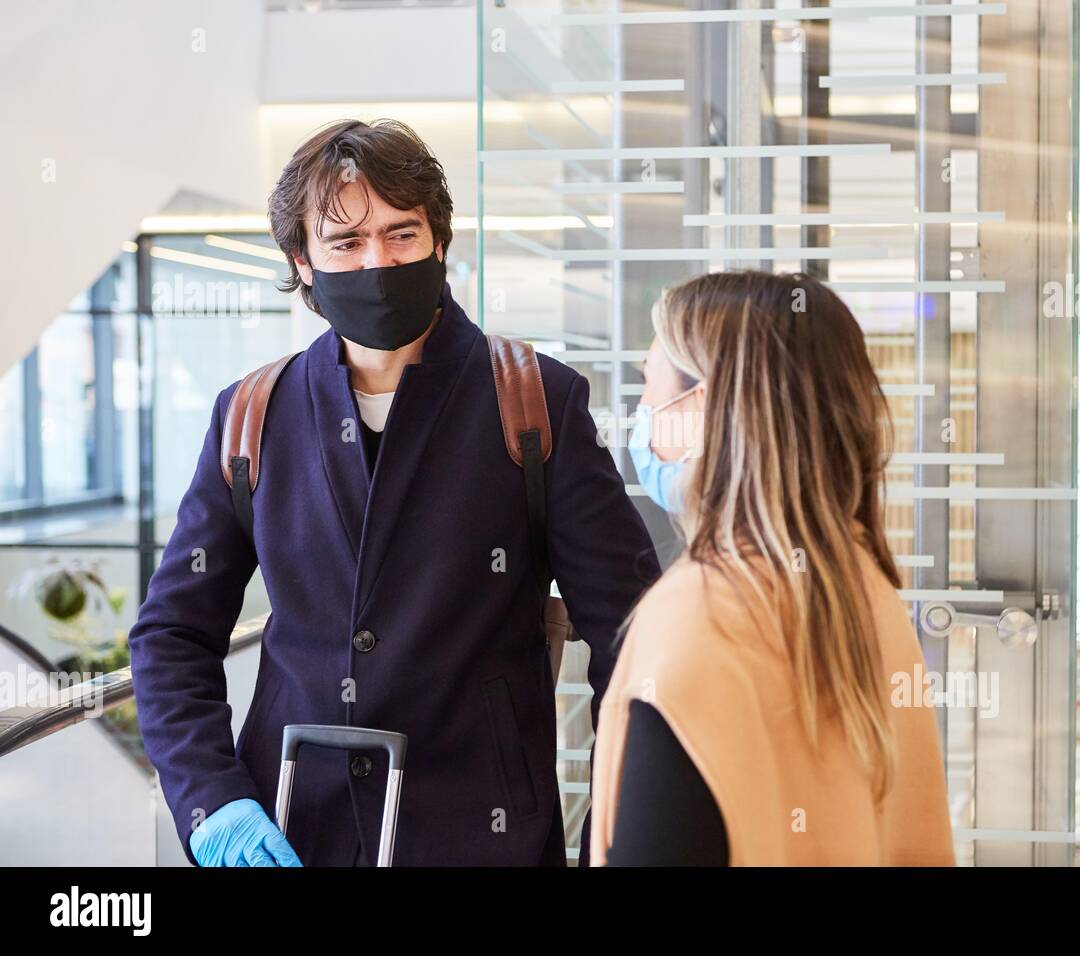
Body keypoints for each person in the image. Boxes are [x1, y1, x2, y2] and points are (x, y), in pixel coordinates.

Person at [127, 119, 659, 866]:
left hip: (483, 832)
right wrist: (212, 800)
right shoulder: (252, 414)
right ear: (302, 262)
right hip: (290, 827)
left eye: (401, 233)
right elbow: (171, 634)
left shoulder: (538, 403)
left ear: (440, 243)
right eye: (346, 242)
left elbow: (630, 634)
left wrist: (620, 824)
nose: (378, 259)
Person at [589, 270, 955, 866]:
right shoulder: (864, 584)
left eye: (650, 385)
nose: (642, 413)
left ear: (704, 407)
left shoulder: (698, 614)